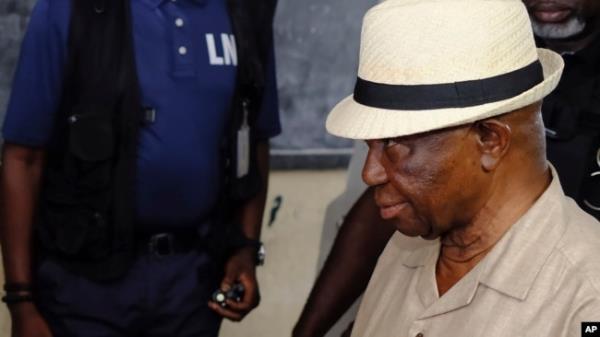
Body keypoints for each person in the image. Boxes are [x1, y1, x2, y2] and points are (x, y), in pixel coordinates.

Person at [293, 0, 600, 335]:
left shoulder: (586, 297)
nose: (371, 174)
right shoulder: (402, 252)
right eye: (371, 145)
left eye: (394, 143)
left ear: (490, 141)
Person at [0, 0, 280, 336]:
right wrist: (21, 301)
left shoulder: (243, 11)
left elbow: (254, 138)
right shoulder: (69, 9)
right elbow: (23, 159)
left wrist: (246, 248)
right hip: (84, 284)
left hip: (191, 284)